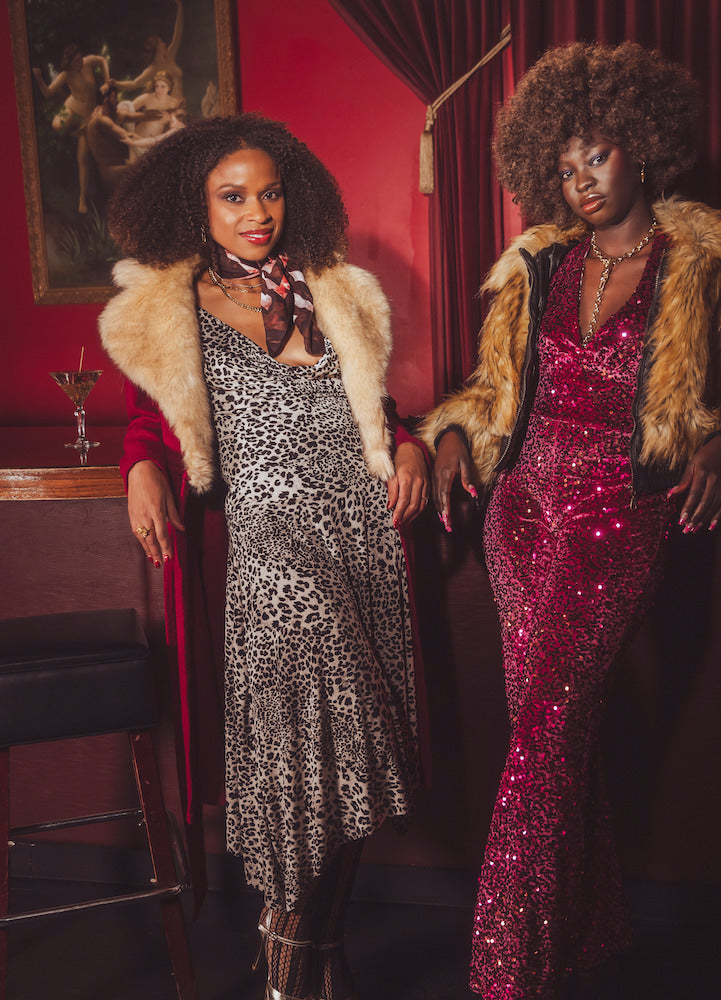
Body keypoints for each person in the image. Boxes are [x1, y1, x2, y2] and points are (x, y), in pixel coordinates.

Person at [419, 41, 721, 1000]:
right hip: (519, 508)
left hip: (621, 512)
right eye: (566, 163)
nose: (581, 179)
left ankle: (504, 973)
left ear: (644, 147)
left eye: (600, 155)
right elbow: (493, 392)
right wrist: (455, 434)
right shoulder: (537, 266)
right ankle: (587, 938)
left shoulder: (715, 262)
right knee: (554, 734)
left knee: (545, 728)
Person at [99, 112, 429, 1000]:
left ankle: (308, 959)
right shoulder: (165, 310)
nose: (256, 212)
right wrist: (140, 468)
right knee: (303, 767)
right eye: (233, 196)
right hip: (268, 549)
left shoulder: (338, 291)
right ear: (195, 205)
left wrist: (410, 448)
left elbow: (375, 411)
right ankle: (292, 964)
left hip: (360, 535)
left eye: (270, 192)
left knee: (350, 758)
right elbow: (145, 419)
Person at [32, 43, 110, 213]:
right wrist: (38, 79)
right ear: (69, 62)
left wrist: (106, 82)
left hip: (88, 114)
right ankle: (77, 133)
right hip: (73, 107)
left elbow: (103, 60)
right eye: (76, 61)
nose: (80, 62)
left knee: (83, 157)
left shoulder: (88, 62)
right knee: (56, 125)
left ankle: (82, 200)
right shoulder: (66, 75)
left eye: (80, 58)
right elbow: (47, 93)